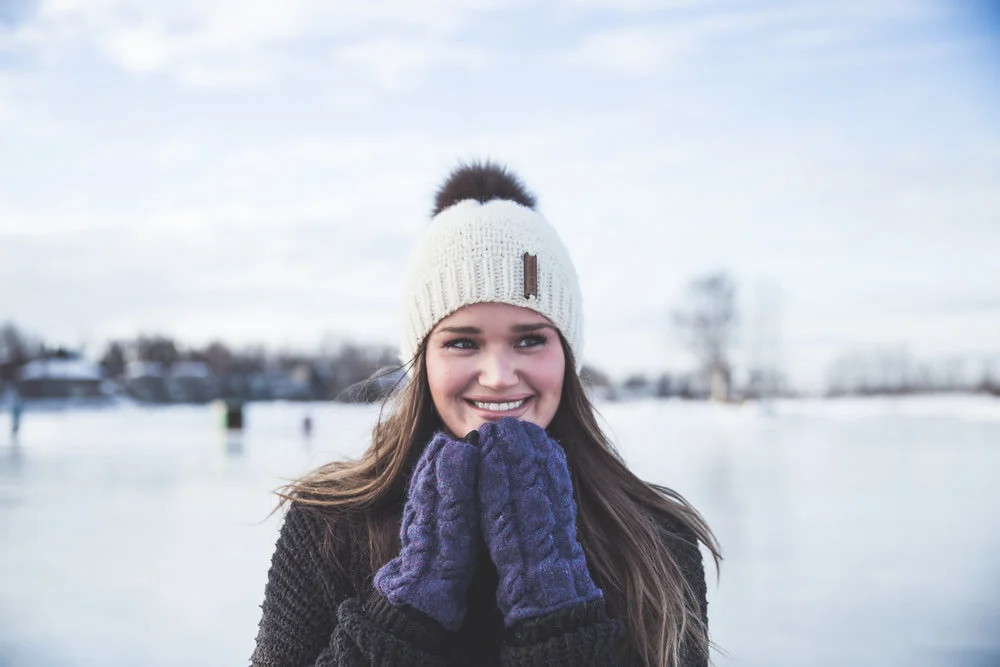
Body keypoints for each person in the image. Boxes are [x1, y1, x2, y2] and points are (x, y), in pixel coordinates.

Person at [251, 162, 721, 666]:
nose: (498, 375)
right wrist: (406, 613)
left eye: (529, 340)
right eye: (462, 342)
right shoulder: (328, 526)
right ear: (422, 361)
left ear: (567, 354)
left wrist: (555, 610)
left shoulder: (655, 539)